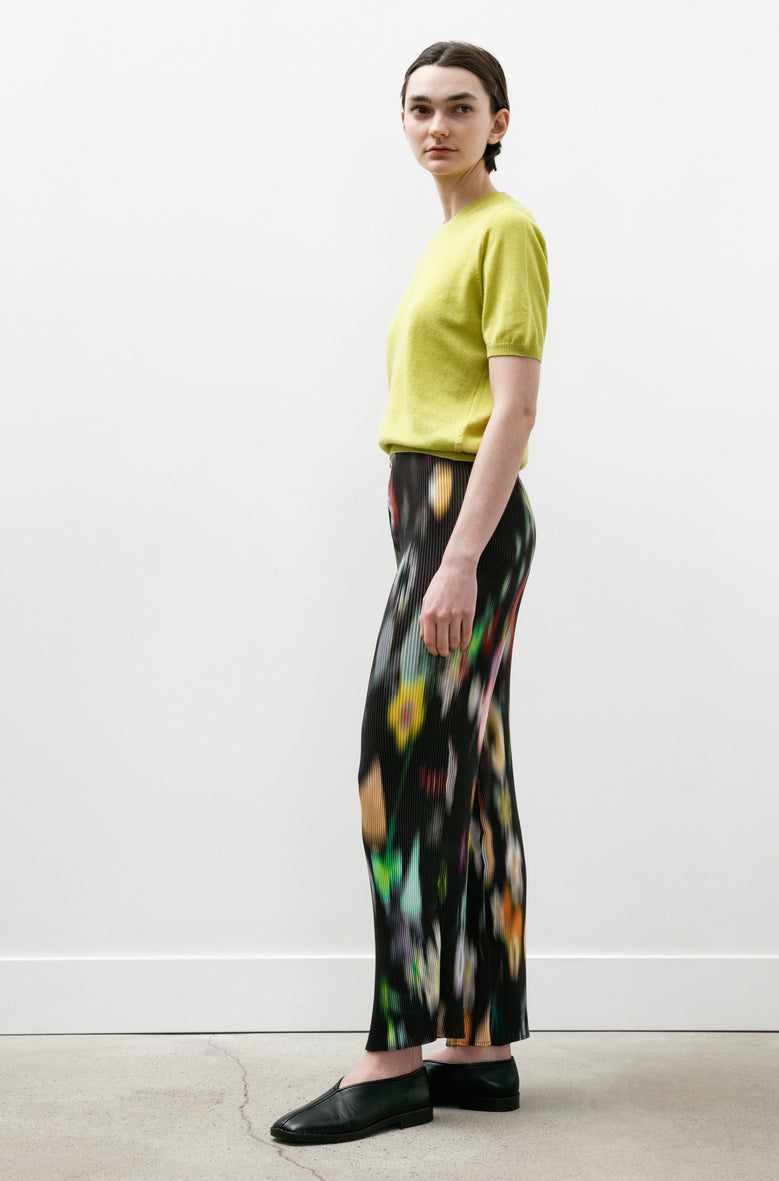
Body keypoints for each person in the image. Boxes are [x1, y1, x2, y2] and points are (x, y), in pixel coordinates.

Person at [270, 40, 549, 1145]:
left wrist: (459, 555)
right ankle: (476, 1046)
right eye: (420, 108)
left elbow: (513, 411)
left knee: (400, 777)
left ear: (499, 122)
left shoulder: (506, 230)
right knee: (466, 781)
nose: (438, 125)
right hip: (432, 517)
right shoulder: (451, 235)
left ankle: (392, 1059)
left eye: (461, 108)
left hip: (461, 521)